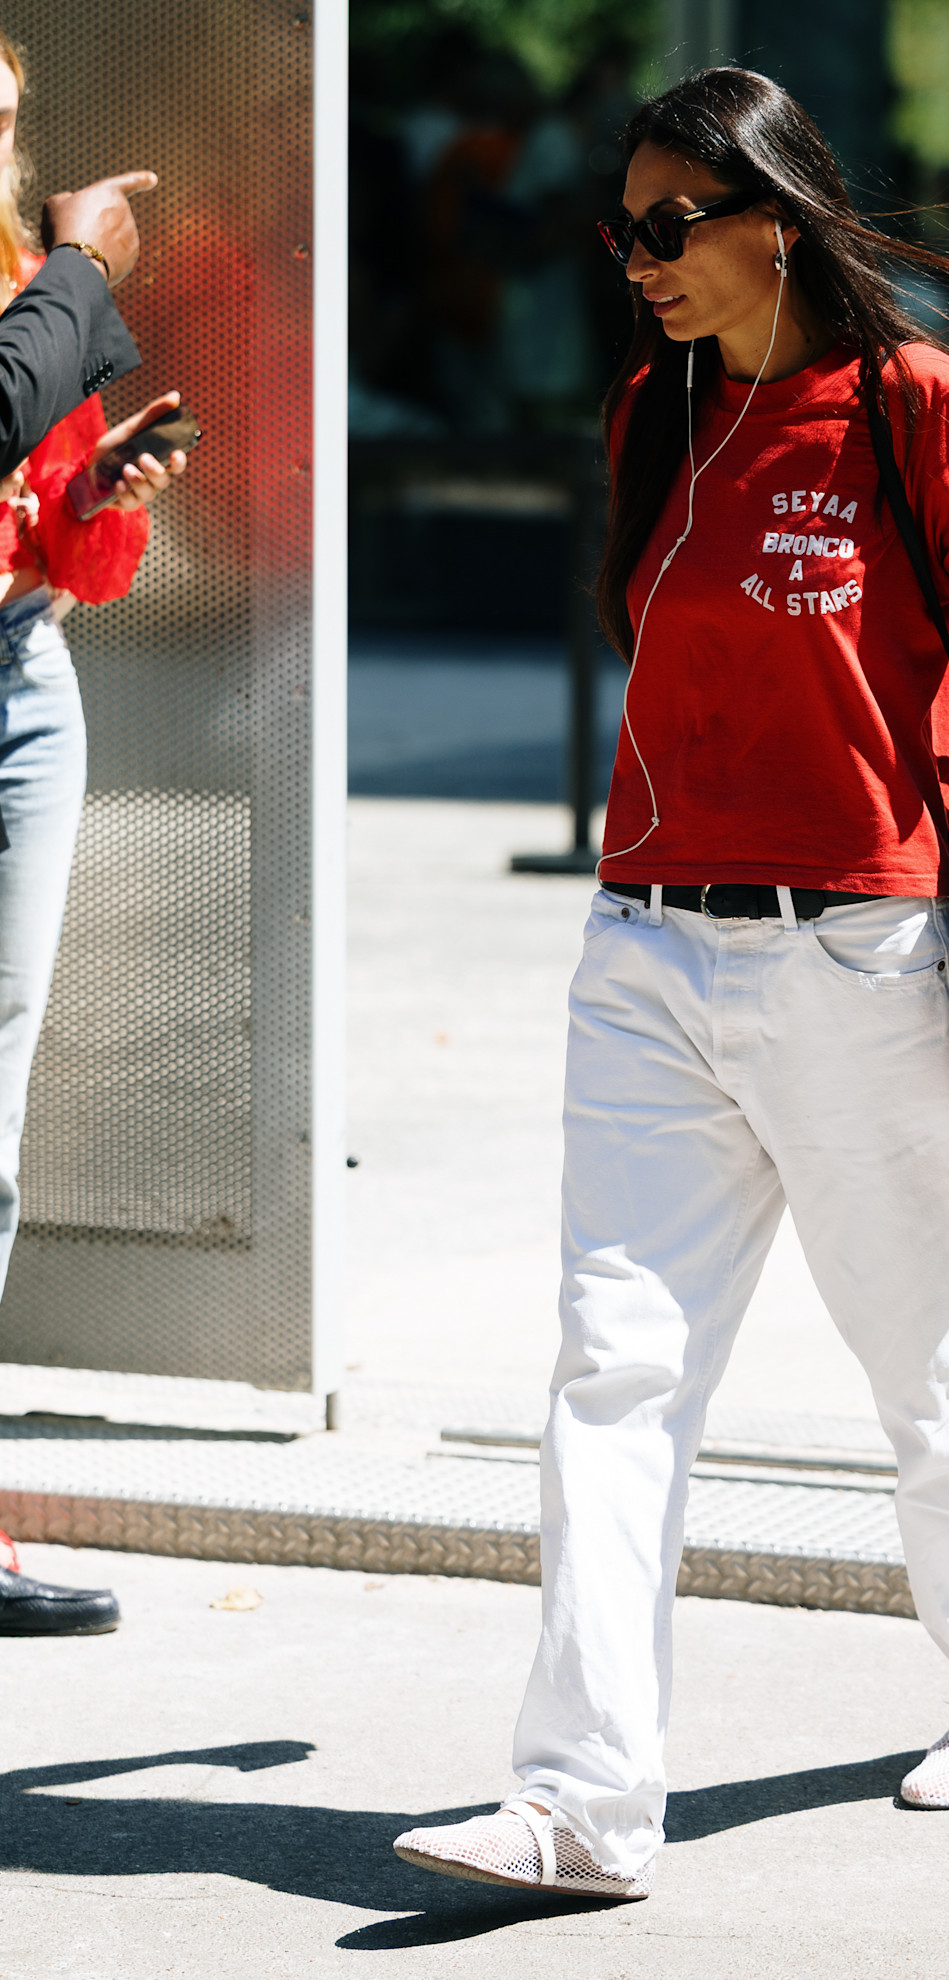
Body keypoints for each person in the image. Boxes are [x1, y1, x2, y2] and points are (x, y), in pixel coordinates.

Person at [392, 67, 949, 1898]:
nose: (639, 261)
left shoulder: (914, 406)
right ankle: (585, 1802)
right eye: (624, 231)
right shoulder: (657, 417)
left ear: (775, 213)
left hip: (859, 953)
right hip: (645, 954)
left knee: (934, 1362)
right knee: (610, 1376)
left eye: (669, 225)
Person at [0, 29, 186, 1636]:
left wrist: (102, 499)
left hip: (20, 677)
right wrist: (72, 266)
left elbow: (57, 528)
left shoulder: (18, 274)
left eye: (3, 124)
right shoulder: (40, 287)